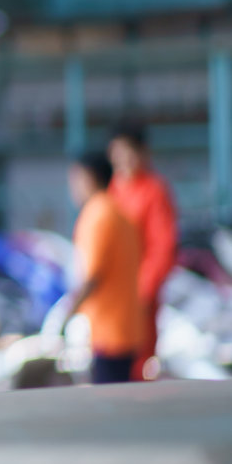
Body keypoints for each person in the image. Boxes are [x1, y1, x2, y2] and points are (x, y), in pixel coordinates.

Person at [106, 122, 178, 380]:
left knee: (137, 365)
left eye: (128, 150)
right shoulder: (111, 190)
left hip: (138, 296)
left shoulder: (153, 191)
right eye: (117, 150)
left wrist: (143, 292)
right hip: (111, 299)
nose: (122, 157)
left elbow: (162, 247)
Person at [64, 151, 143, 384]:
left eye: (76, 179)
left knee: (110, 404)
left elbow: (92, 276)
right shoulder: (118, 212)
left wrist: (67, 314)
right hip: (126, 326)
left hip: (108, 332)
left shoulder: (97, 215)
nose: (73, 187)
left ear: (89, 178)